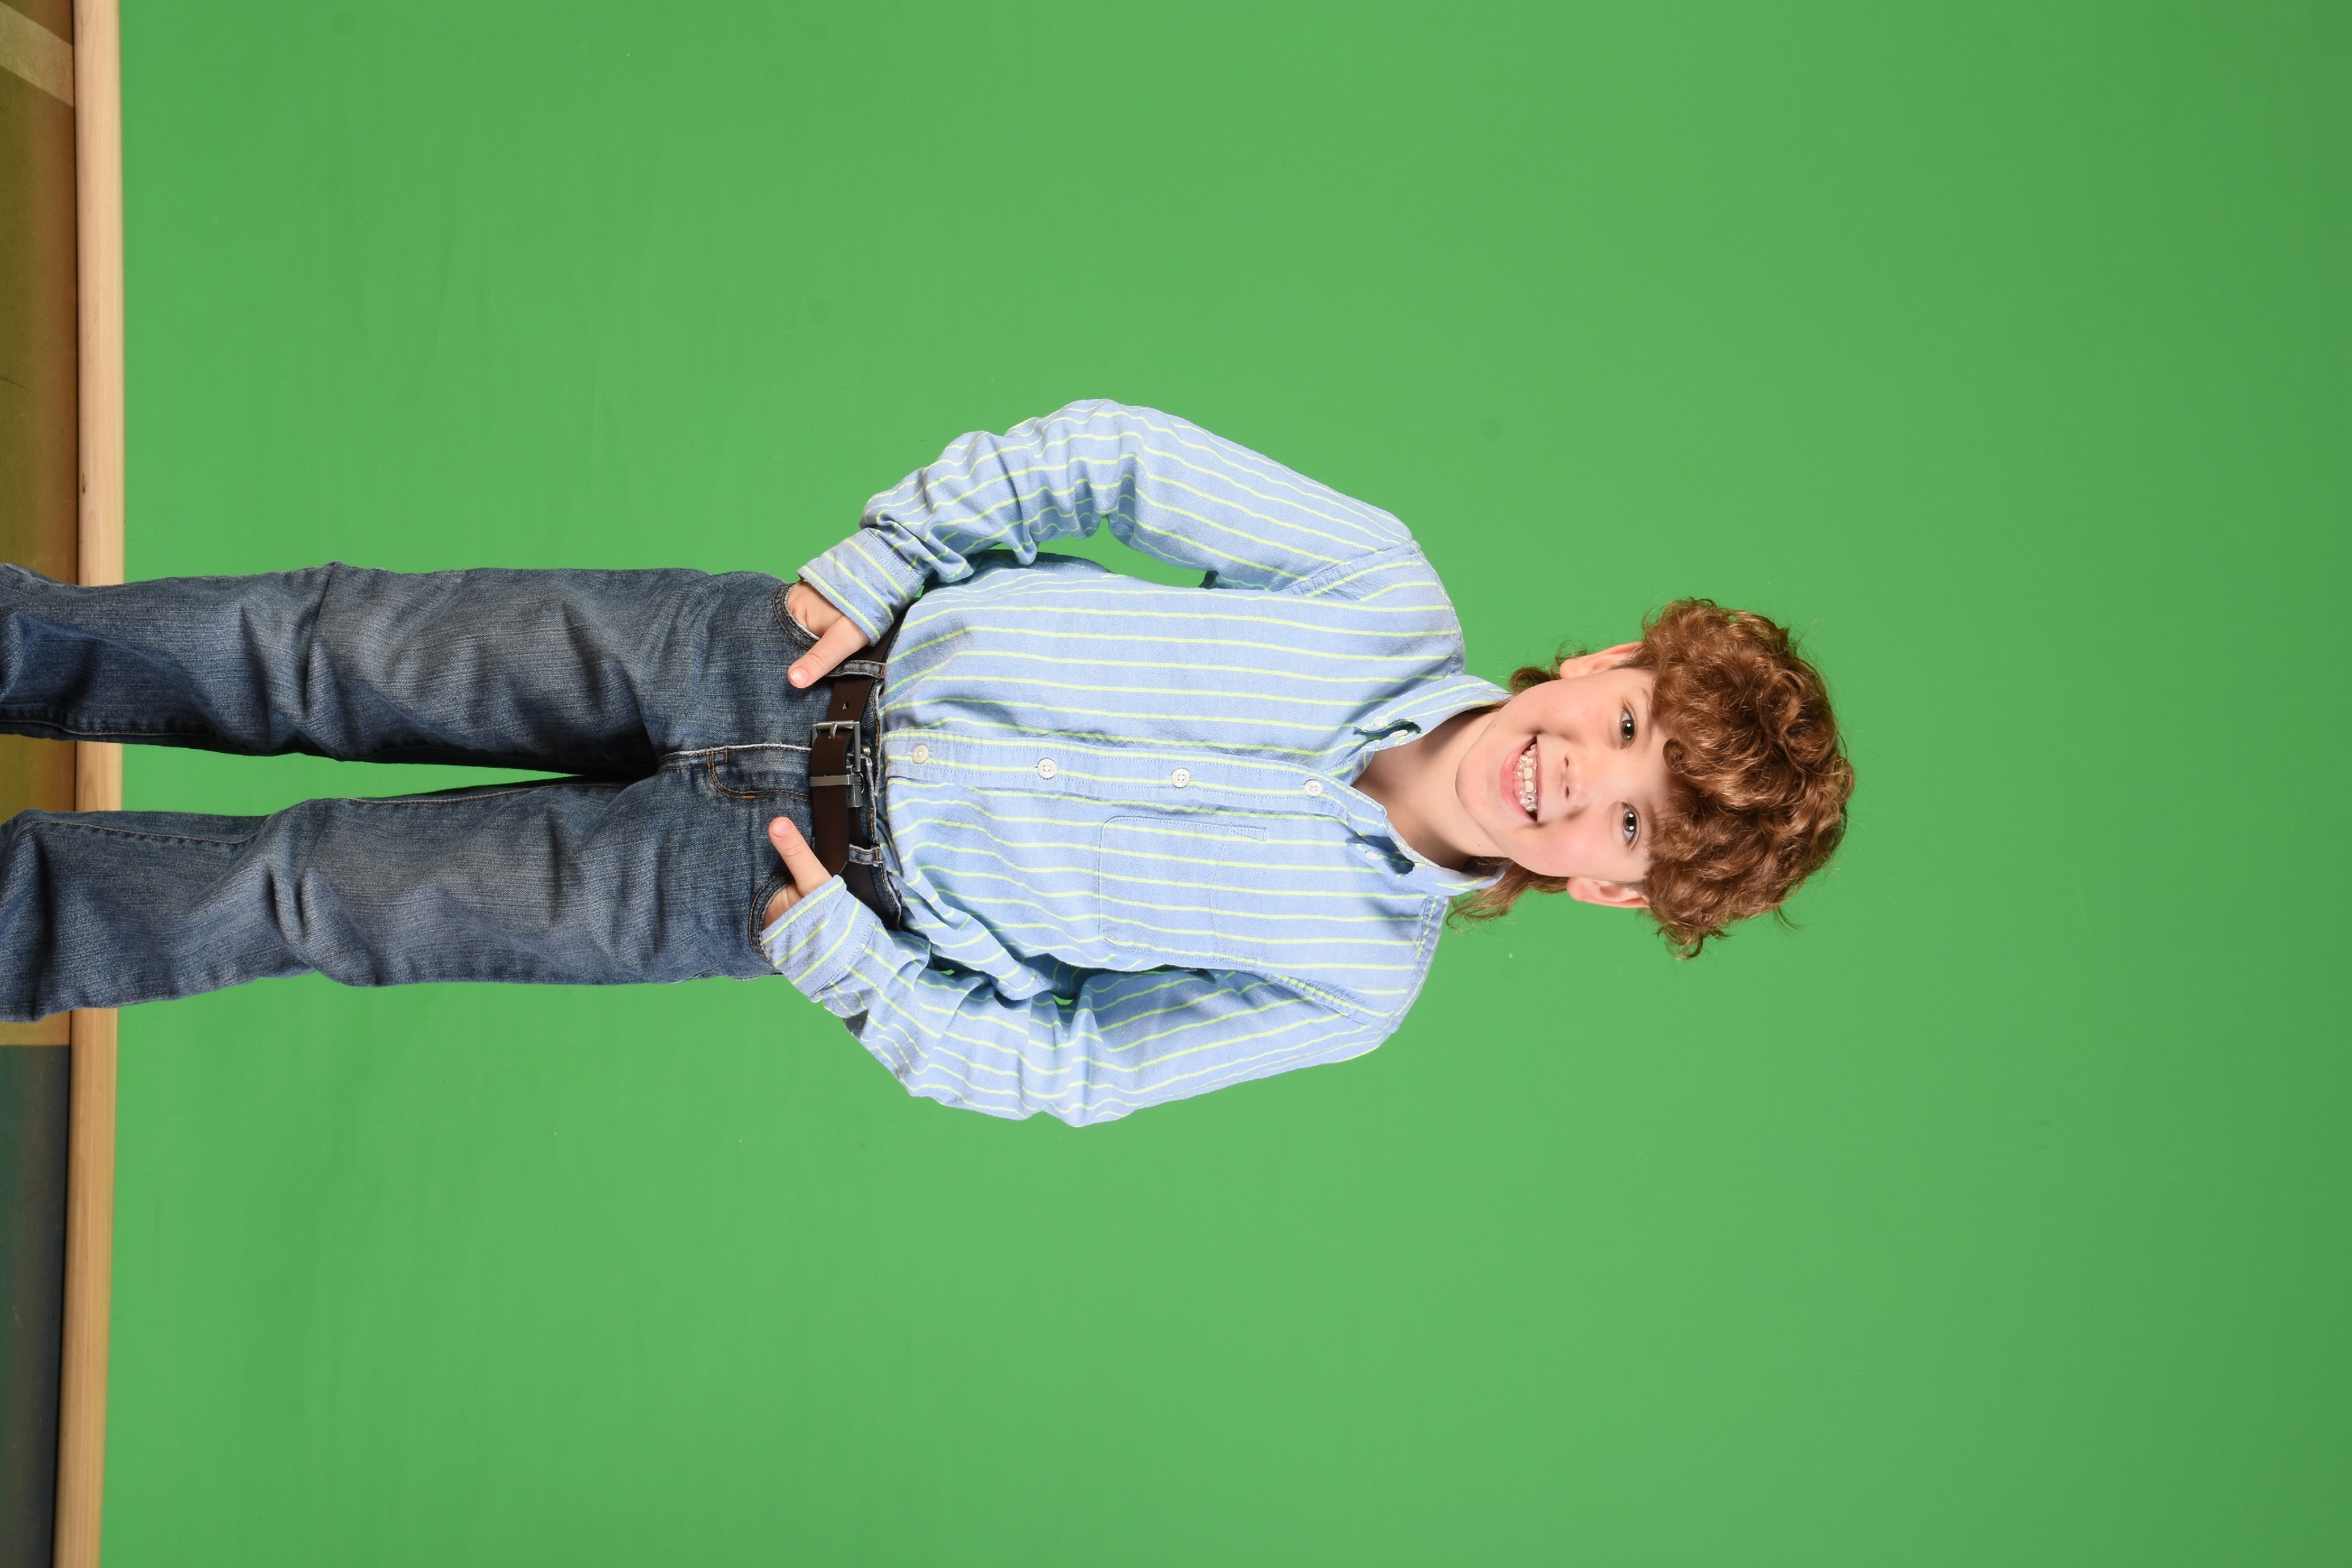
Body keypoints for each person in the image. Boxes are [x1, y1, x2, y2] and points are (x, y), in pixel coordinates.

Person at [0, 401, 1850, 1124]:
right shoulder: (1374, 586)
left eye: (1630, 823)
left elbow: (1071, 1068)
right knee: (321, 646)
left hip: (764, 891)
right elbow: (1113, 458)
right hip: (768, 657)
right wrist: (888, 560)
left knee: (319, 893)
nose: (1580, 775)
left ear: (1603, 887)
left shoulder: (1350, 986)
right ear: (1600, 665)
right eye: (1626, 726)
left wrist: (850, 966)